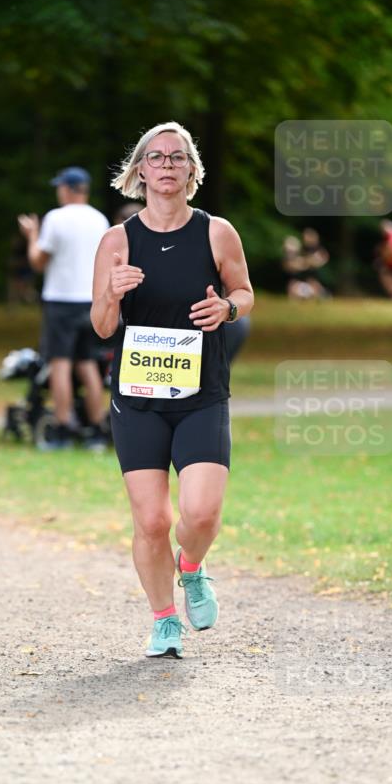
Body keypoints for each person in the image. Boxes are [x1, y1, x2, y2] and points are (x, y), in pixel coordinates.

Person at [91, 121, 254, 659]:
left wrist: (229, 308)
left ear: (191, 169)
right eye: (156, 158)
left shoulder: (216, 231)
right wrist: (112, 294)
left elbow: (245, 292)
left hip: (202, 393)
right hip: (137, 399)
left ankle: (192, 568)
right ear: (139, 171)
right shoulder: (118, 241)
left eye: (176, 157)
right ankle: (163, 620)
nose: (166, 165)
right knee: (153, 520)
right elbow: (100, 326)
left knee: (201, 514)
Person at [18, 167, 109, 450]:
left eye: (60, 187)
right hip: (91, 300)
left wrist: (31, 235)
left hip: (61, 301)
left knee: (60, 364)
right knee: (88, 364)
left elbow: (38, 262)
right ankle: (95, 429)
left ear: (68, 189)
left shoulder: (56, 219)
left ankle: (62, 428)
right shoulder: (100, 220)